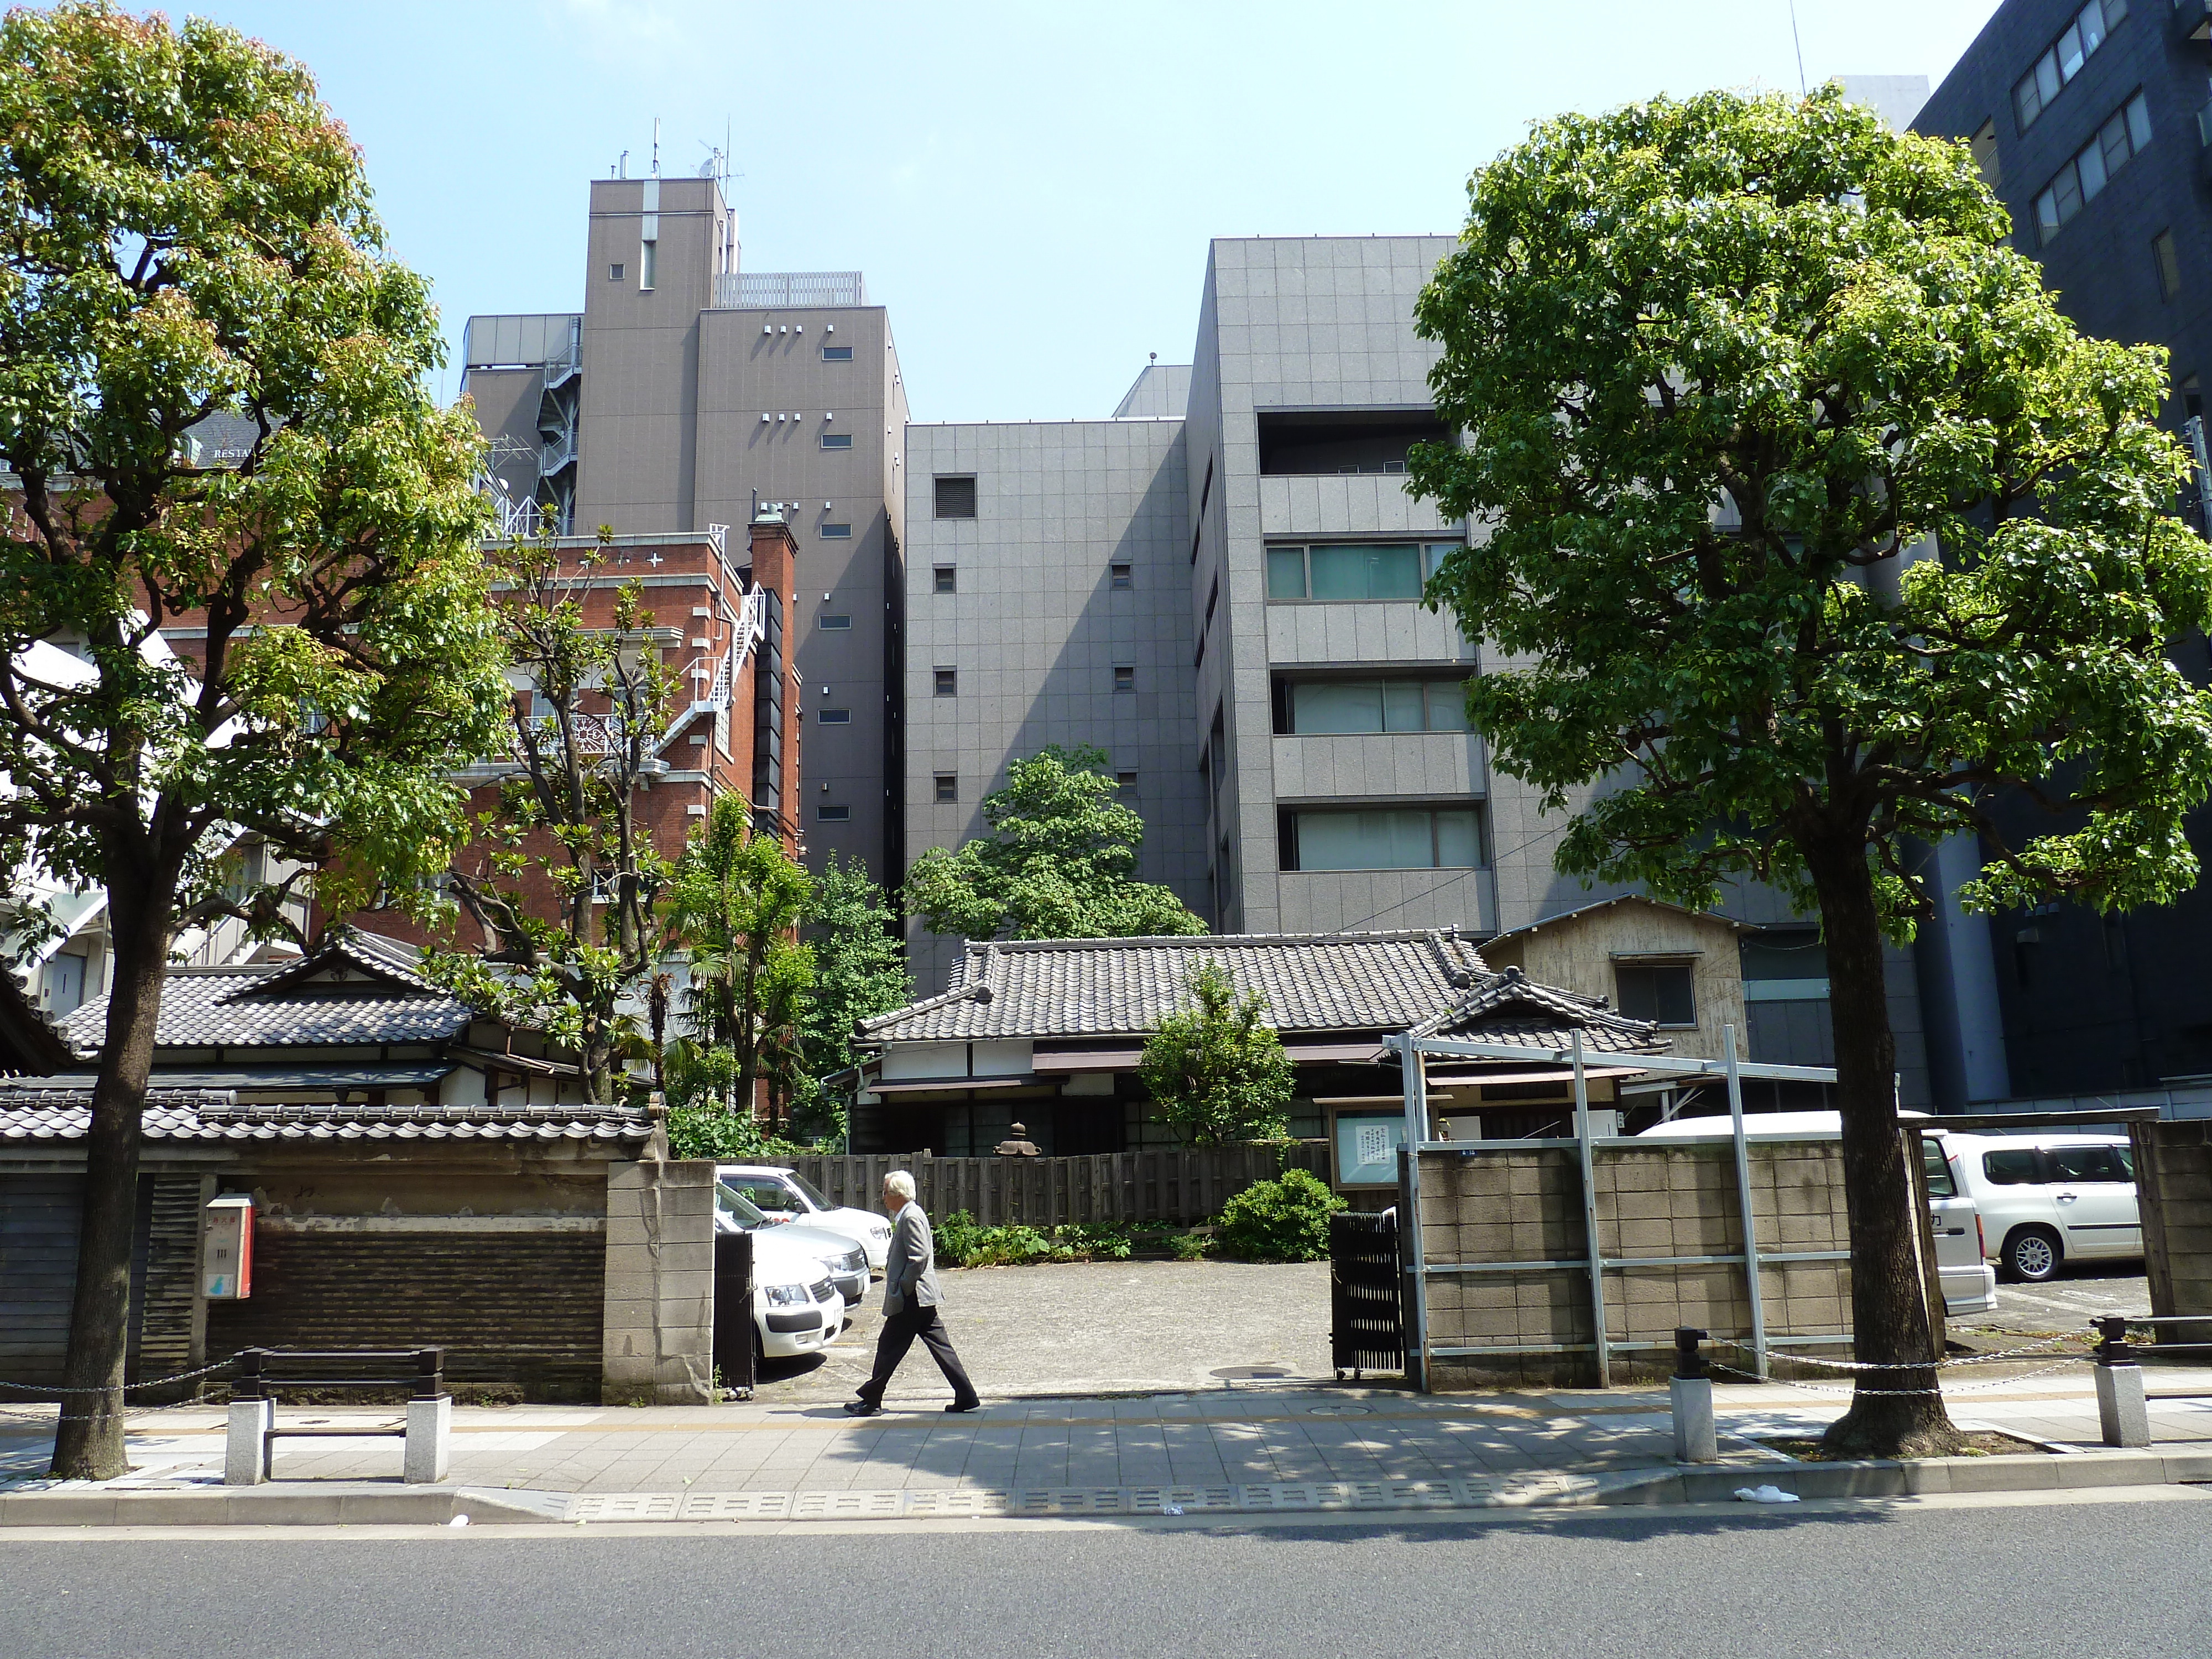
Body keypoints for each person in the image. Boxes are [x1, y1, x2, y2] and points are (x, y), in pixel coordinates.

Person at [846, 1170, 980, 1416]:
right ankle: (967, 1395)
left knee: (888, 1347)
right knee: (938, 1347)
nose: (883, 1198)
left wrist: (903, 1287)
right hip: (919, 1297)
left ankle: (872, 1400)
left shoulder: (910, 1217)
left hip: (913, 1297)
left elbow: (919, 1257)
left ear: (898, 1195)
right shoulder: (909, 1214)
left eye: (886, 1193)